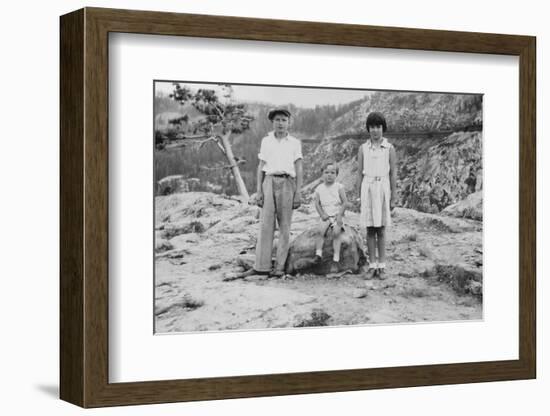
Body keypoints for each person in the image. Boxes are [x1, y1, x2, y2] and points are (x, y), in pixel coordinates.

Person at [251, 108, 303, 278]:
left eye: (283, 120)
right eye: (277, 120)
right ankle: (261, 266)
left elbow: (299, 167)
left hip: (288, 183)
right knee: (266, 225)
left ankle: (279, 267)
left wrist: (298, 192)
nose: (280, 123)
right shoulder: (266, 141)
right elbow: (260, 166)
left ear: (289, 122)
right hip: (269, 181)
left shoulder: (294, 143)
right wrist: (259, 190)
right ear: (272, 122)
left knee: (285, 227)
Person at [357, 112, 397, 280]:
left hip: (382, 188)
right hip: (368, 187)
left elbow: (393, 173)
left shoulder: (389, 148)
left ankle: (382, 266)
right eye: (372, 127)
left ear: (383, 128)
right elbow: (359, 173)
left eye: (378, 127)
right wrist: (360, 195)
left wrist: (393, 196)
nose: (375, 130)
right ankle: (372, 265)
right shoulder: (363, 148)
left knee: (380, 229)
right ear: (368, 129)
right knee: (370, 228)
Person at [313, 162, 350, 273]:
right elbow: (317, 204)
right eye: (326, 172)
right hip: (326, 215)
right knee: (320, 231)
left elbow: (344, 203)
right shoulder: (319, 188)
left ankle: (336, 259)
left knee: (336, 233)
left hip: (336, 214)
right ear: (322, 174)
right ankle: (318, 254)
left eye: (332, 173)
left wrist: (339, 216)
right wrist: (322, 214)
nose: (329, 175)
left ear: (336, 174)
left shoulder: (339, 187)